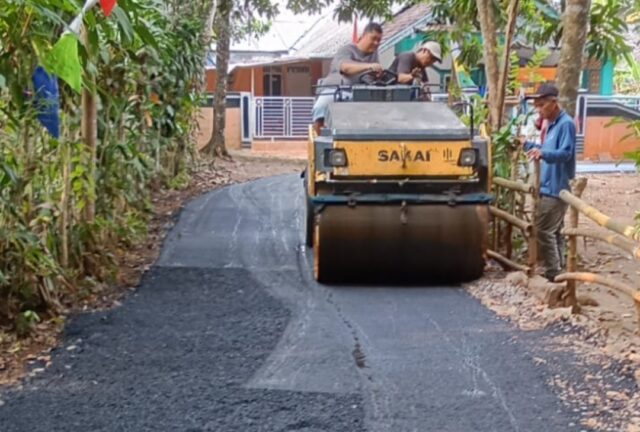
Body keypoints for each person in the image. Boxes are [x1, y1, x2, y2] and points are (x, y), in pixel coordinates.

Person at [520, 83, 576, 282]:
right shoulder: (551, 125)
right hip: (547, 185)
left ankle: (554, 272)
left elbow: (565, 153)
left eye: (541, 105)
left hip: (556, 187)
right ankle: (558, 271)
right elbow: (546, 149)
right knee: (555, 232)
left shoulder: (565, 124)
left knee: (544, 230)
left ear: (554, 103)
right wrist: (528, 145)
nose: (539, 110)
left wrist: (542, 153)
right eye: (536, 106)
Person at [311, 22, 384, 135]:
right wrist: (369, 66)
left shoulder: (374, 55)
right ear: (363, 36)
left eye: (379, 40)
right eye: (373, 38)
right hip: (337, 89)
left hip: (361, 92)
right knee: (322, 106)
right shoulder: (346, 50)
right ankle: (320, 139)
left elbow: (373, 77)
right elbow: (346, 68)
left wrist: (378, 75)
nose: (376, 43)